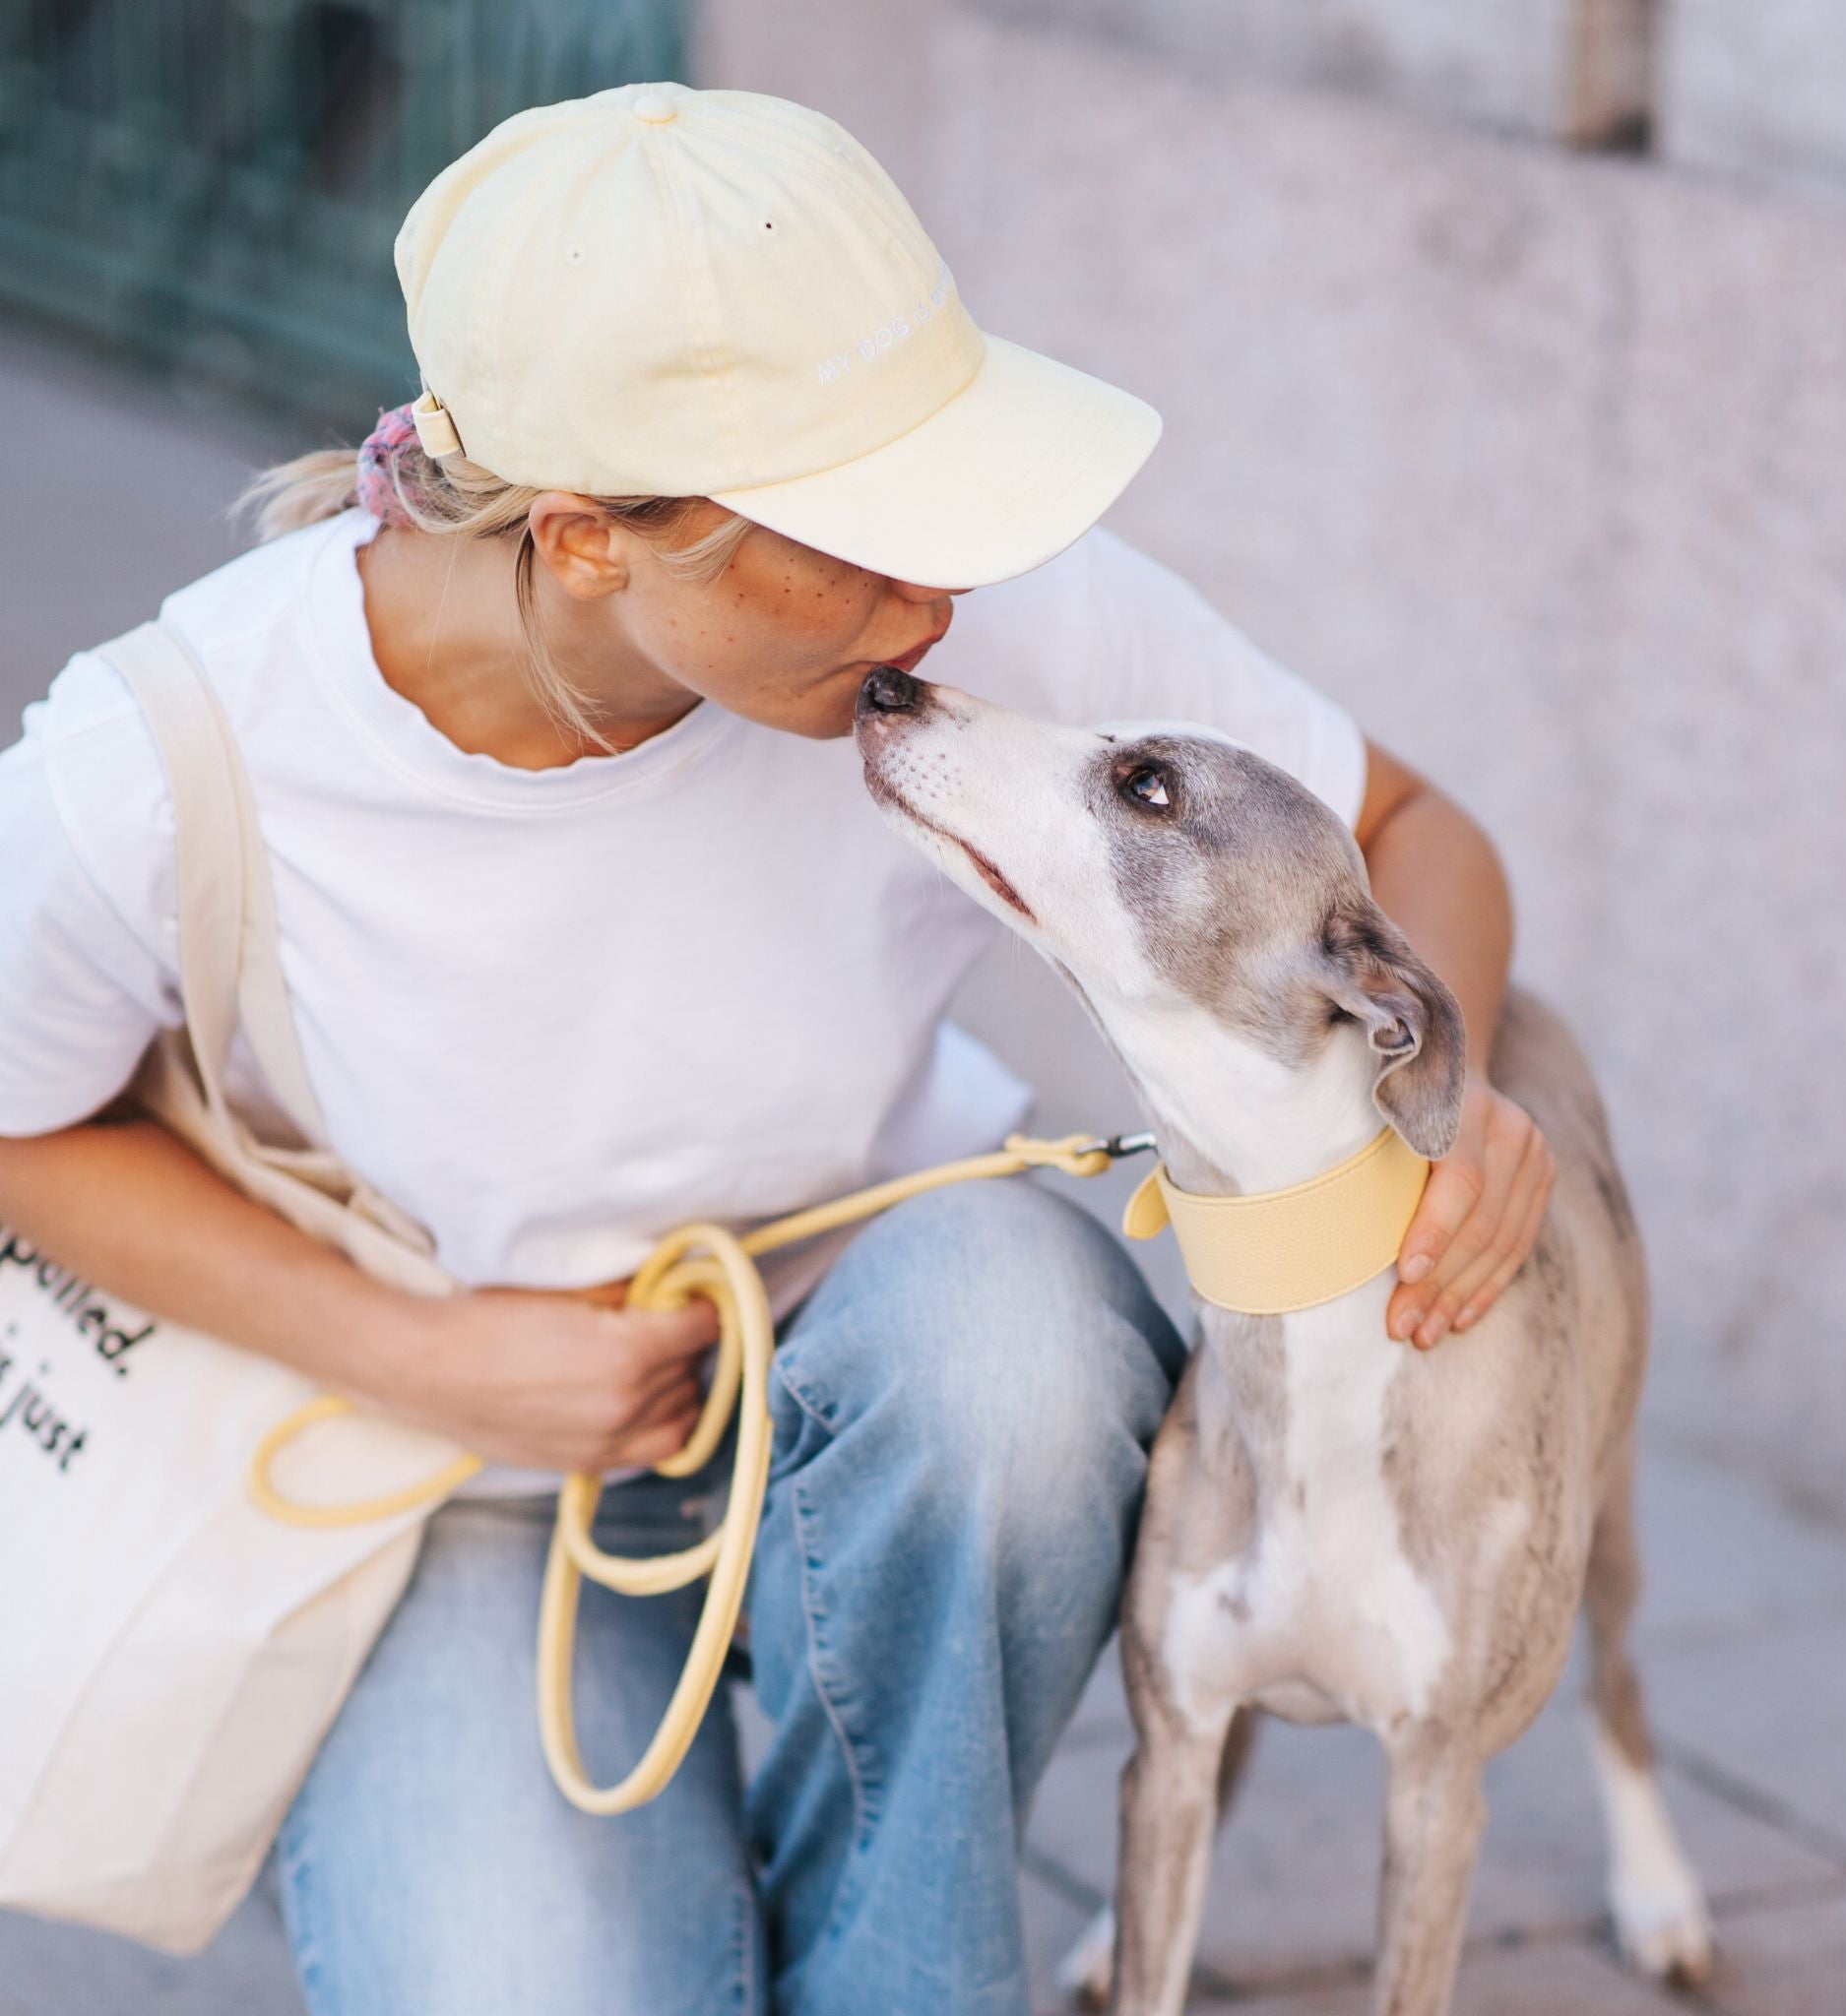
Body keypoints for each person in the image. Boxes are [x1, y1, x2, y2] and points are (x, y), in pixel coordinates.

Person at [0, 83, 1554, 2016]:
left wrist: (1450, 1087)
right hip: (445, 1472)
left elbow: (1417, 837)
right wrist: (429, 1355)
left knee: (1022, 1349)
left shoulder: (968, 615)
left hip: (865, 1359)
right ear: (585, 536)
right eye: (869, 541)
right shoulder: (164, 757)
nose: (942, 600)